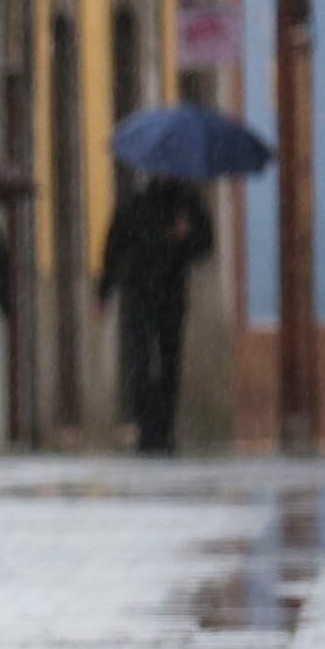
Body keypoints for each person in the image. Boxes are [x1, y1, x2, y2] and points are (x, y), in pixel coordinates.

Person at [98, 176, 213, 454]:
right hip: (139, 295)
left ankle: (162, 427)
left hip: (169, 296)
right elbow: (116, 245)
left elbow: (205, 245)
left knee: (167, 363)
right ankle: (147, 425)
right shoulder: (136, 204)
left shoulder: (188, 205)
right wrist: (105, 288)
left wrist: (186, 237)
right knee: (142, 361)